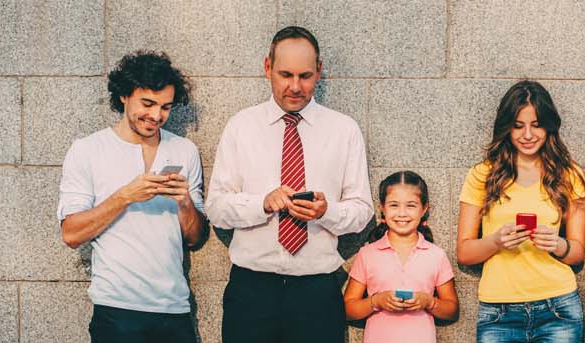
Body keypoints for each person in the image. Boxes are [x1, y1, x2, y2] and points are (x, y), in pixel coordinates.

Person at [207, 26, 373, 343]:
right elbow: (215, 208)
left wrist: (327, 211)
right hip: (251, 291)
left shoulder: (343, 130)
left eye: (305, 76)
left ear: (319, 71)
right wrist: (261, 204)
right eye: (285, 74)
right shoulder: (241, 127)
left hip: (317, 291)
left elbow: (362, 211)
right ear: (267, 67)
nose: (295, 87)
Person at [57, 51, 207, 343]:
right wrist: (124, 197)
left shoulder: (184, 150)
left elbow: (195, 238)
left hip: (173, 309)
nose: (156, 116)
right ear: (124, 95)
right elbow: (71, 234)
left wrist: (185, 203)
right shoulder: (87, 150)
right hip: (117, 311)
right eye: (148, 103)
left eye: (165, 107)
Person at [455, 80, 585, 343]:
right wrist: (496, 241)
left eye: (536, 125)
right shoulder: (482, 174)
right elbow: (464, 253)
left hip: (558, 309)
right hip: (498, 313)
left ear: (549, 126)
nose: (528, 135)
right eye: (518, 126)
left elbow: (578, 254)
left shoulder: (570, 174)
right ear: (506, 128)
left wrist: (559, 245)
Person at [343, 171, 459, 343]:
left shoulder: (436, 255)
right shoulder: (368, 254)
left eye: (411, 205)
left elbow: (452, 310)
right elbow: (347, 308)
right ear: (382, 207)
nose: (402, 213)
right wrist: (376, 301)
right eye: (394, 205)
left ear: (424, 208)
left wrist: (429, 302)